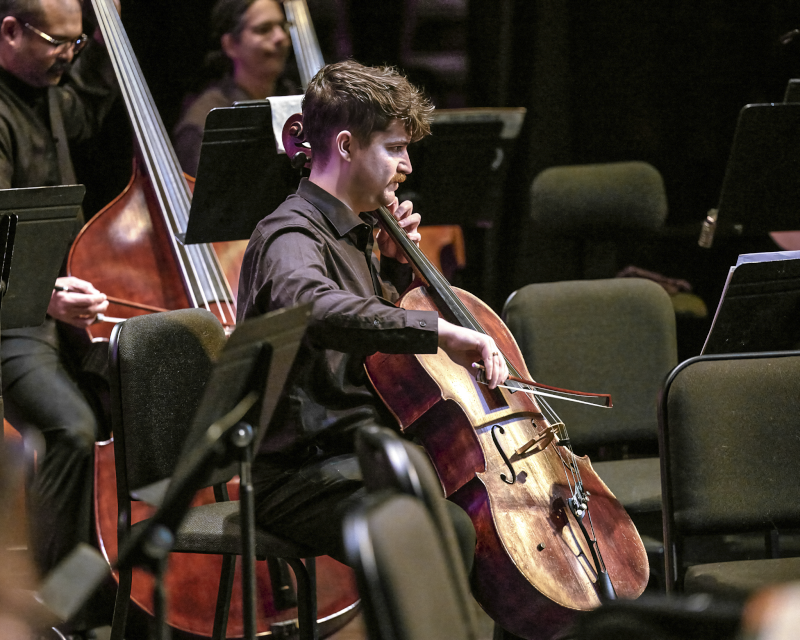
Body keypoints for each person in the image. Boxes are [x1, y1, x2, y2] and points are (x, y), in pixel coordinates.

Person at [237, 59, 508, 567]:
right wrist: (438, 330)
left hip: (364, 455)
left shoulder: (363, 233)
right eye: (396, 149)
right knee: (444, 532)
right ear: (344, 146)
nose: (407, 166)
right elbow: (316, 307)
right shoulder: (289, 235)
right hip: (303, 473)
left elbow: (377, 350)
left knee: (491, 516)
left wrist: (397, 270)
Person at [0, 0, 118, 633]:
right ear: (10, 31)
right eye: (58, 43)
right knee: (72, 428)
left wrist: (106, 28)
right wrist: (44, 295)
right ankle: (47, 606)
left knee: (142, 400)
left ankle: (111, 591)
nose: (69, 58)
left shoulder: (45, 87)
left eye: (78, 45)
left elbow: (91, 101)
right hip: (10, 321)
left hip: (53, 312)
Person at [172, 0, 296, 176]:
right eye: (264, 29)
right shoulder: (204, 121)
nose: (281, 37)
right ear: (230, 45)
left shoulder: (294, 98)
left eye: (283, 26)